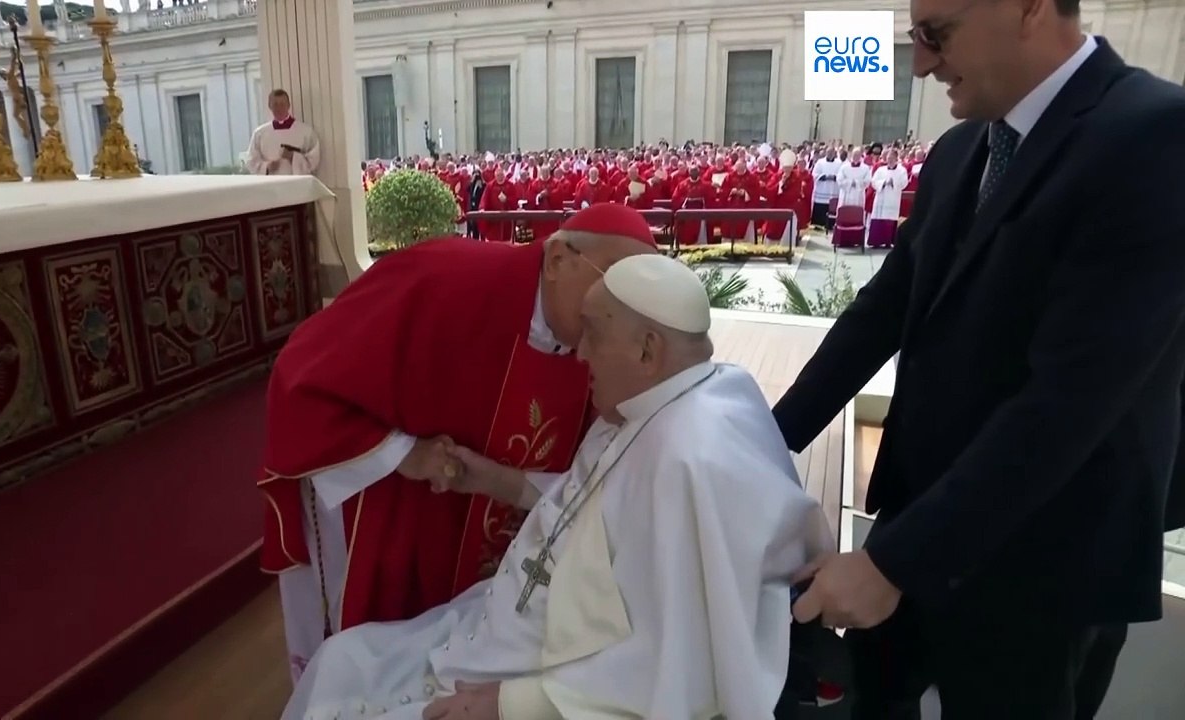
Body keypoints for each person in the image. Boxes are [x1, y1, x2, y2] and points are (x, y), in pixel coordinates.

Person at [773, 1, 1185, 717]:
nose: (922, 63)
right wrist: (762, 440)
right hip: (915, 529)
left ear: (1025, 8)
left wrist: (893, 564)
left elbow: (1072, 399)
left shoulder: (1155, 135)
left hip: (1043, 571)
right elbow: (880, 314)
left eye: (936, 34)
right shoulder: (961, 152)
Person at [281, 254, 834, 720]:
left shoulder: (688, 459)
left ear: (647, 350)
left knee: (343, 692)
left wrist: (507, 702)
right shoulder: (684, 394)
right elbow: (594, 513)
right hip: (507, 629)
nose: (580, 352)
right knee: (343, 661)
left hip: (553, 680)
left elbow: (673, 662)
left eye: (593, 333)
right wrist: (493, 479)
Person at [259, 204, 660, 683]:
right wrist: (406, 454)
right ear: (557, 261)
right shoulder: (441, 278)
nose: (617, 309)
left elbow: (600, 481)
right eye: (610, 282)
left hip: (489, 577)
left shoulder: (603, 345)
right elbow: (300, 378)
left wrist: (497, 482)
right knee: (359, 674)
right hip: (392, 511)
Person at [246, 89, 320, 176]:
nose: (279, 108)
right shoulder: (259, 133)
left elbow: (313, 159)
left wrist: (293, 157)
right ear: (270, 106)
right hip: (270, 185)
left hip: (297, 184)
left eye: (282, 104)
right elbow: (251, 161)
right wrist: (266, 167)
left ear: (288, 105)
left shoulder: (306, 132)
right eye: (275, 104)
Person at [865, 150, 907, 248]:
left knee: (890, 219)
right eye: (888, 158)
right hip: (881, 198)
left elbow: (904, 183)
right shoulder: (881, 170)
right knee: (879, 219)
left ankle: (888, 242)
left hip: (893, 198)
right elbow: (874, 181)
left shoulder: (901, 170)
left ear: (896, 158)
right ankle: (876, 242)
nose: (890, 160)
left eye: (892, 158)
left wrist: (893, 182)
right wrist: (883, 182)